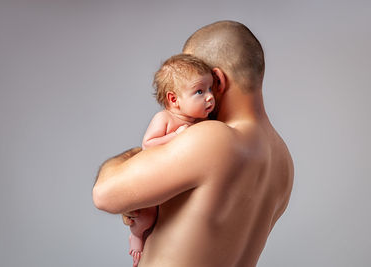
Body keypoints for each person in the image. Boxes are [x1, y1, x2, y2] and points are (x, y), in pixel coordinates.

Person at [93, 20, 294, 267]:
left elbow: (104, 194)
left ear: (217, 80)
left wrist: (138, 155)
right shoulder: (282, 159)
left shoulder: (213, 139)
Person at [128, 53, 215, 267]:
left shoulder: (197, 124)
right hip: (151, 180)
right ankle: (136, 236)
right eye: (200, 91)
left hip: (171, 183)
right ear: (173, 99)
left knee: (167, 221)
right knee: (146, 219)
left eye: (211, 89)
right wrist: (176, 136)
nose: (210, 97)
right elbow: (148, 143)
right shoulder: (165, 118)